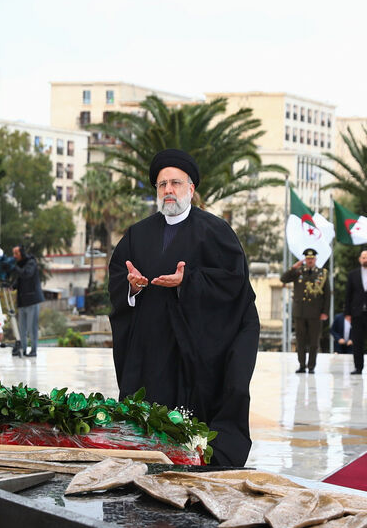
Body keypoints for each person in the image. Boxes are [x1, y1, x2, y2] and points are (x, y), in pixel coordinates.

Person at [108, 148, 259, 466]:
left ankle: (199, 455)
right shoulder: (138, 234)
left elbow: (234, 284)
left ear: (191, 189)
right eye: (162, 185)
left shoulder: (215, 231)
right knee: (148, 429)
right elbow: (120, 278)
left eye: (176, 183)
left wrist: (188, 281)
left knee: (194, 429)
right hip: (152, 347)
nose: (168, 191)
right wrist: (131, 287)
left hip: (197, 349)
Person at [280, 248, 330, 373]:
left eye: (312, 259)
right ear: (304, 260)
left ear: (315, 259)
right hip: (300, 312)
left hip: (315, 312)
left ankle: (311, 366)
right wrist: (293, 267)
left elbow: (327, 295)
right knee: (300, 341)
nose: (310, 261)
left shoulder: (321, 273)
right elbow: (283, 279)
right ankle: (302, 365)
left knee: (314, 342)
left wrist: (325, 312)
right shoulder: (298, 272)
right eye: (307, 259)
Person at [12, 245, 43, 357]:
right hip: (22, 301)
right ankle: (23, 349)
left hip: (32, 300)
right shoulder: (20, 265)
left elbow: (26, 274)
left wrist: (14, 268)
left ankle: (33, 350)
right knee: (22, 328)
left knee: (32, 327)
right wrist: (12, 286)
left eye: (16, 253)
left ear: (22, 253)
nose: (14, 256)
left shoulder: (31, 263)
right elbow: (19, 280)